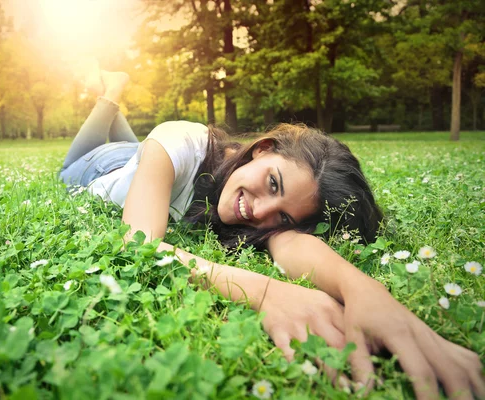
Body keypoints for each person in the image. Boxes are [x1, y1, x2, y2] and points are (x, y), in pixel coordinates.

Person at [59, 65, 484, 400]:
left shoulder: (262, 212)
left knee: (142, 149)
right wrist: (264, 292)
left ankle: (121, 114)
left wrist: (363, 290)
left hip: (146, 163)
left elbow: (291, 242)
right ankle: (112, 90)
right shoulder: (181, 139)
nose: (258, 211)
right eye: (274, 183)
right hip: (98, 164)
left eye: (281, 216)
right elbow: (137, 245)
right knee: (105, 122)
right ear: (263, 148)